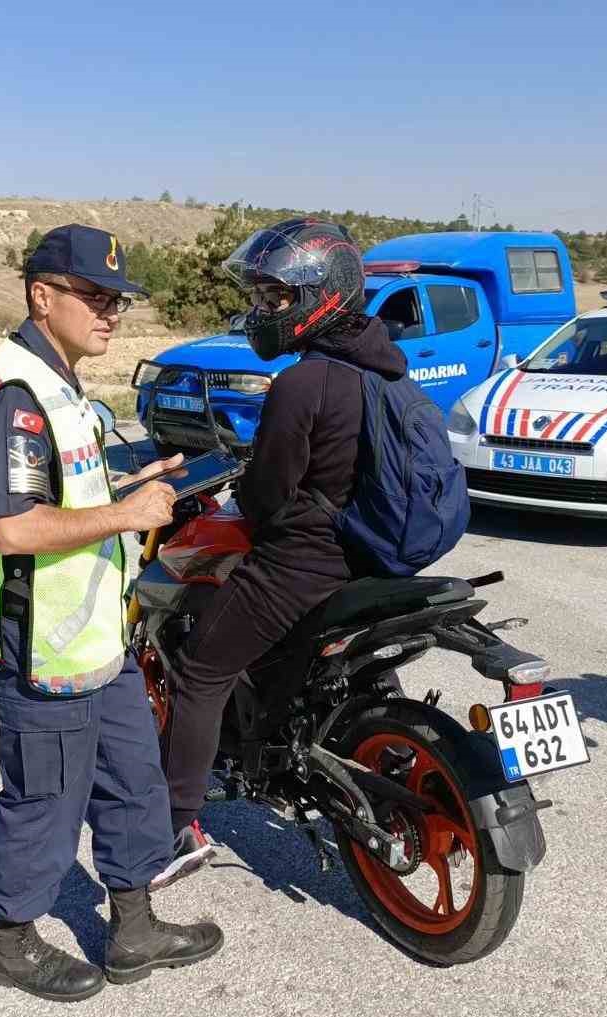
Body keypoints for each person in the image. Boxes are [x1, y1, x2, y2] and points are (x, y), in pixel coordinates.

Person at [0, 224, 224, 1002]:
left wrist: (149, 473)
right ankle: (10, 941)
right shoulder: (19, 396)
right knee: (44, 802)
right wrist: (128, 517)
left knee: (135, 783)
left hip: (100, 640)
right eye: (95, 297)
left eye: (117, 301)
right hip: (42, 648)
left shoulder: (62, 383)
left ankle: (133, 925)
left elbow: (77, 477)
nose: (111, 314)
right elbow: (17, 527)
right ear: (42, 295)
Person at [153, 218, 408, 888]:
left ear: (319, 295)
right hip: (375, 556)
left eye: (276, 297)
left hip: (305, 564)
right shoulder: (387, 370)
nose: (264, 310)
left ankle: (173, 824)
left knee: (202, 669)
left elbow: (266, 499)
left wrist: (246, 500)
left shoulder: (305, 383)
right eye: (261, 296)